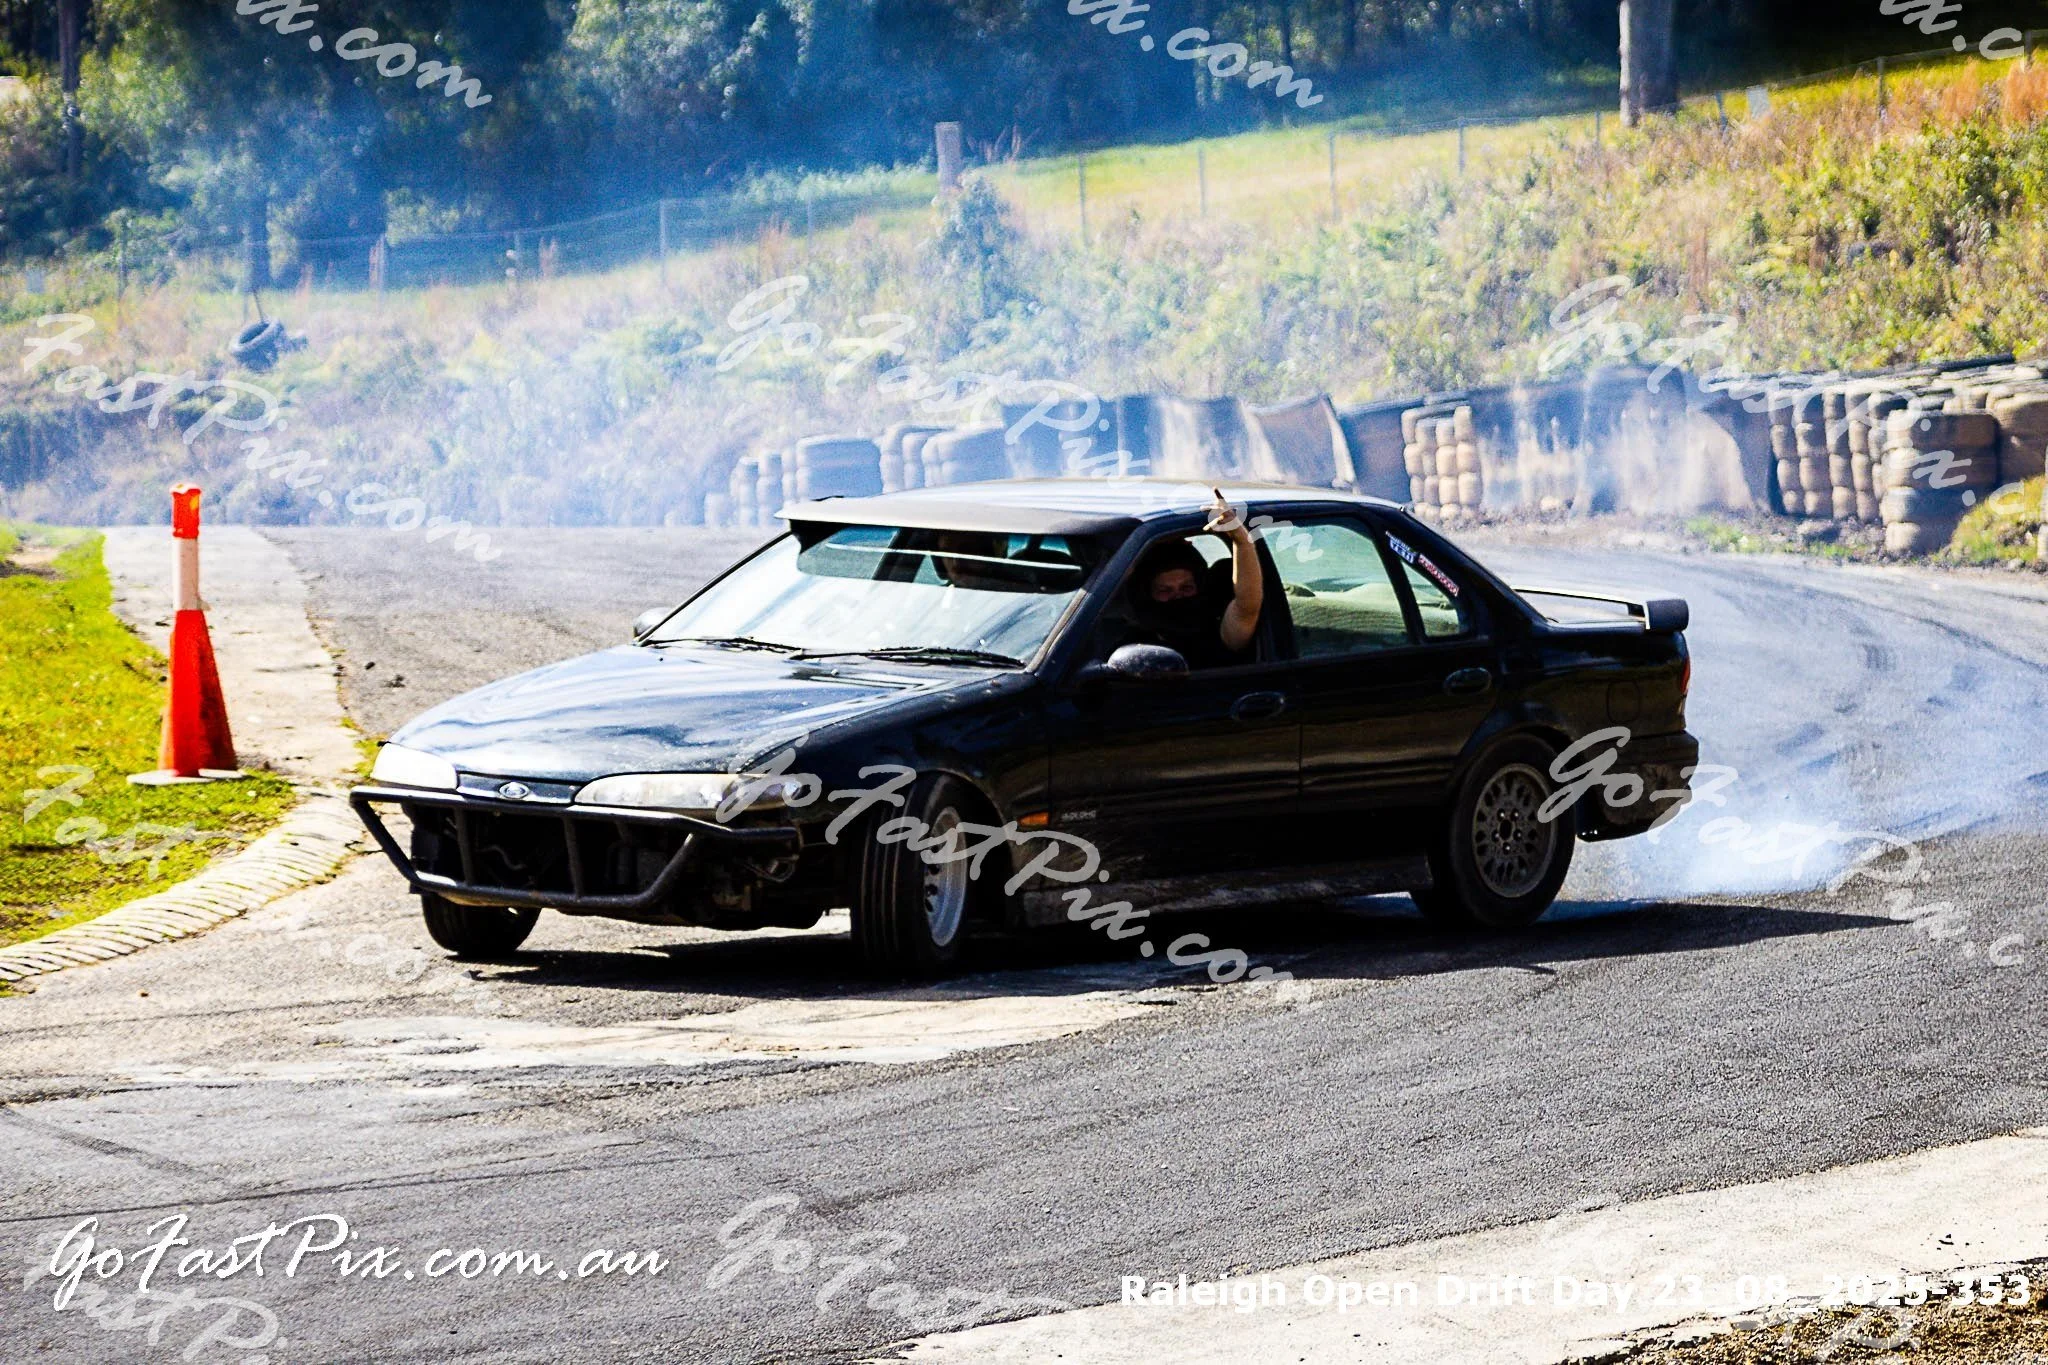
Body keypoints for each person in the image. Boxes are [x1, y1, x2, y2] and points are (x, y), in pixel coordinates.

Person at [1124, 490, 1264, 668]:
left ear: (1199, 586)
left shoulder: (1221, 630)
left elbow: (1247, 605)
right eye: (1165, 591)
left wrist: (1241, 541)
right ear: (1148, 594)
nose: (1178, 596)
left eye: (1186, 587)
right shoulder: (1133, 642)